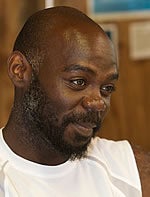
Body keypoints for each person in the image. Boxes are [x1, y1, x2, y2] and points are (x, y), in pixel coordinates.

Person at [0, 6, 148, 196]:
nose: (98, 103)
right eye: (78, 81)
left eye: (107, 88)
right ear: (19, 70)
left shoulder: (128, 170)